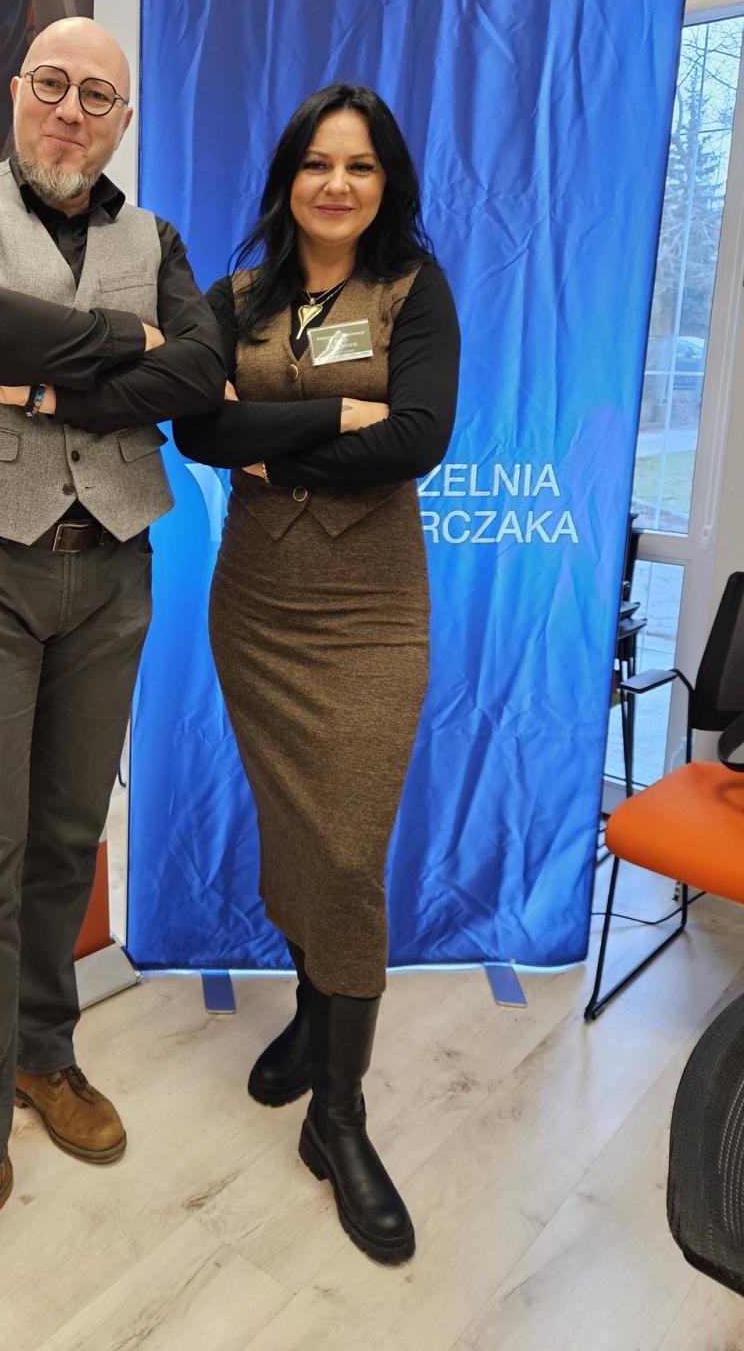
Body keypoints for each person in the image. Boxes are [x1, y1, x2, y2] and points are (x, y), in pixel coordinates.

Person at [0, 16, 223, 1317]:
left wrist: (46, 385)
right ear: (17, 90)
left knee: (69, 840)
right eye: (53, 85)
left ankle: (46, 1053)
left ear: (123, 121)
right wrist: (128, 350)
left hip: (115, 565)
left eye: (98, 95)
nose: (73, 110)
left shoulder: (160, 242)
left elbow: (202, 372)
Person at [174, 83, 460, 1265]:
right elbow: (197, 431)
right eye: (317, 163)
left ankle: (337, 1117)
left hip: (372, 610)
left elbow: (419, 437)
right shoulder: (234, 298)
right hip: (257, 608)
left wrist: (275, 437)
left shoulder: (415, 289)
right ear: (288, 176)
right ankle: (309, 1012)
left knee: (347, 849)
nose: (337, 184)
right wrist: (342, 416)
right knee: (296, 827)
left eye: (361, 166)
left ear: (387, 184)